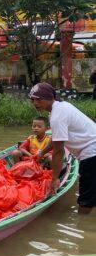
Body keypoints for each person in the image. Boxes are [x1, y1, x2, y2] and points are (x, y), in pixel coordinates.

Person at [30, 83, 96, 214]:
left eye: (39, 99)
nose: (35, 103)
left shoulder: (57, 115)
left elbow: (59, 151)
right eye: (32, 99)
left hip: (91, 153)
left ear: (49, 97)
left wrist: (54, 179)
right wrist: (42, 152)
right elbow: (56, 139)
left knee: (85, 201)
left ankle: (83, 227)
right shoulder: (60, 107)